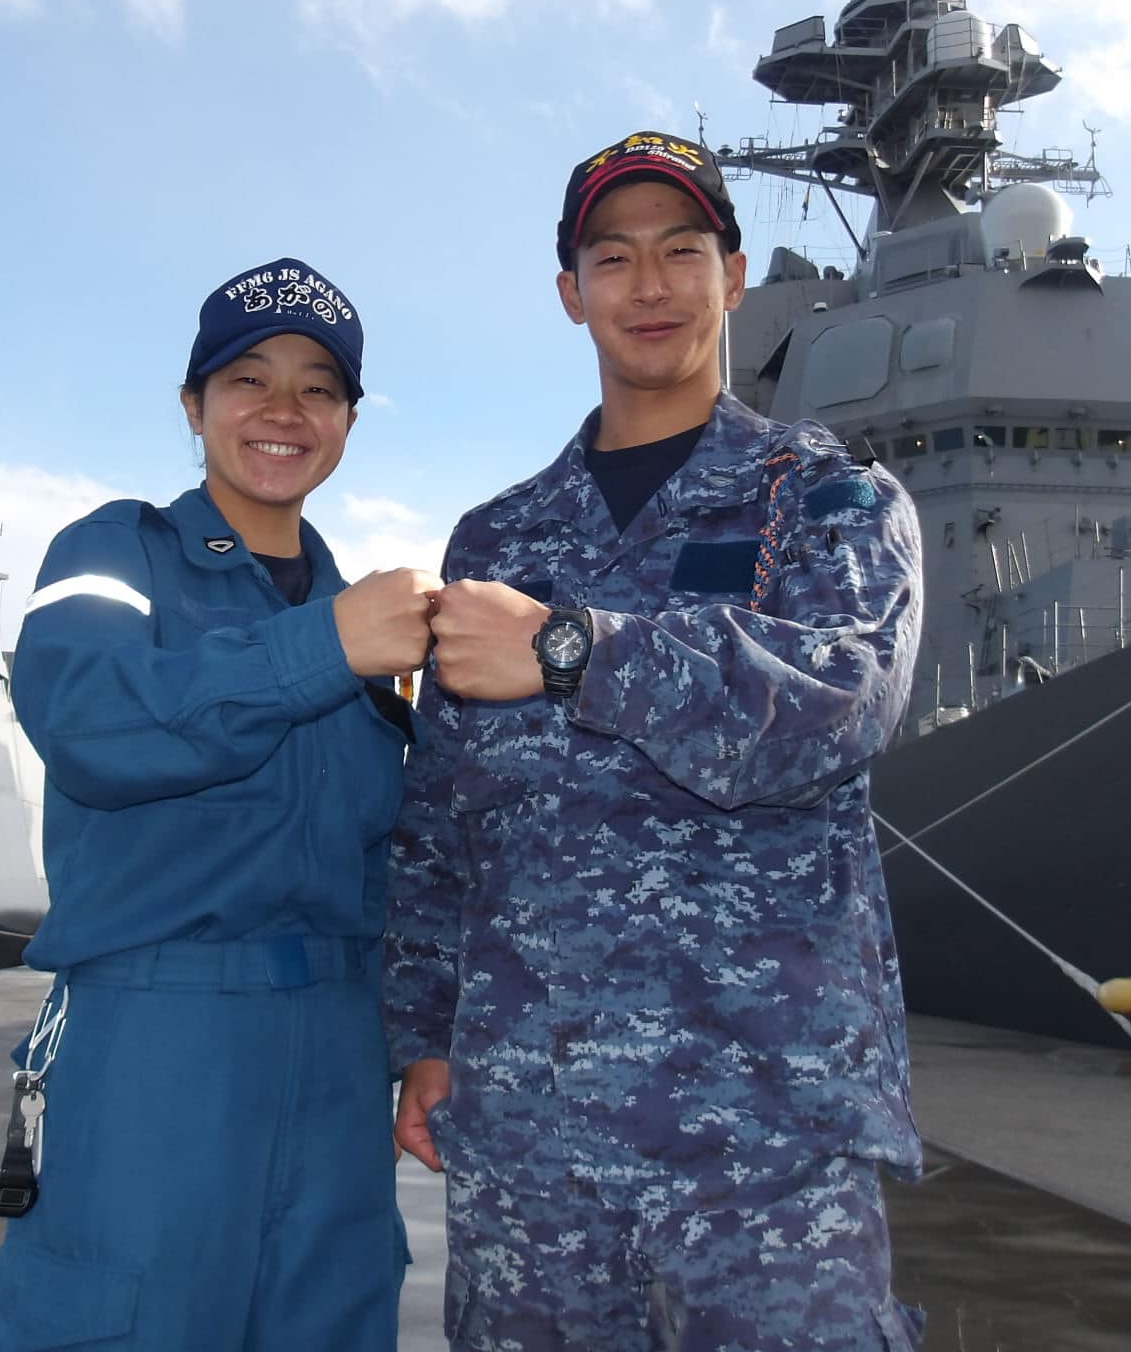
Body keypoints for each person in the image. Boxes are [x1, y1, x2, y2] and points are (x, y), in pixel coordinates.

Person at [385, 132, 928, 1349]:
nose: (648, 285)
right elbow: (437, 817)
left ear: (730, 277)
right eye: (613, 256)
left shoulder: (828, 499)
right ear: (569, 292)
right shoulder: (497, 540)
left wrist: (572, 649)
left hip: (764, 1143)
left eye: (681, 251)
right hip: (532, 1142)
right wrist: (420, 1035)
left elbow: (840, 701)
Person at [0, 257, 440, 1351]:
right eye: (248, 380)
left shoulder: (367, 623)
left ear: (348, 423)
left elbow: (396, 861)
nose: (284, 410)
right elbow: (88, 726)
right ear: (193, 405)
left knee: (331, 1323)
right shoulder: (112, 552)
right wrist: (323, 648)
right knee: (128, 1320)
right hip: (155, 1037)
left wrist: (419, 1040)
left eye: (318, 388)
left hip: (338, 1056)